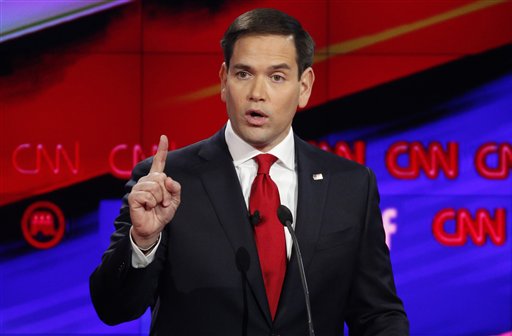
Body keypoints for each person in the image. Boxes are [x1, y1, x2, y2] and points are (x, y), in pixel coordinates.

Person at [90, 8, 409, 335]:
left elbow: (377, 314)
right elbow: (113, 308)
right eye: (243, 74)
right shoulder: (167, 182)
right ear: (223, 81)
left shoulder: (350, 185)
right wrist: (143, 241)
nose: (258, 93)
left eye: (277, 77)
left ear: (304, 86)